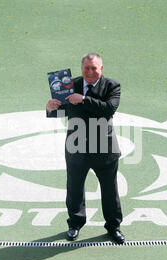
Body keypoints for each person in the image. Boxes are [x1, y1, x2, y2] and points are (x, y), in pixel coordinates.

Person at [46, 53, 125, 244]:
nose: (90, 72)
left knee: (109, 190)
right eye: (86, 68)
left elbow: (108, 109)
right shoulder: (68, 85)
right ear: (81, 68)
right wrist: (50, 108)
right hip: (76, 146)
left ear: (101, 69)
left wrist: (82, 99)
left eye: (94, 68)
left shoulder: (112, 86)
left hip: (103, 148)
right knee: (74, 189)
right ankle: (75, 224)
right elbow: (63, 110)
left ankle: (114, 227)